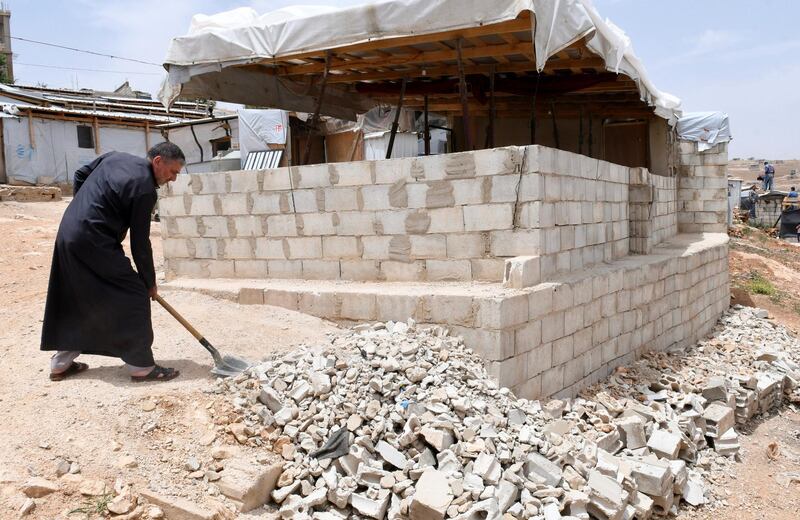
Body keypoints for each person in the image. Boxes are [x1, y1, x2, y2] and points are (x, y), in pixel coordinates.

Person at [41, 143, 185, 382]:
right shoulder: (145, 190)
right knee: (134, 294)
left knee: (81, 295)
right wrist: (148, 283)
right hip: (94, 240)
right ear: (158, 161)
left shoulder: (115, 157)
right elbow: (140, 242)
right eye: (173, 172)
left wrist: (83, 208)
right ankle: (141, 367)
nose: (173, 179)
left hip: (69, 232)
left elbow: (80, 174)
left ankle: (60, 364)